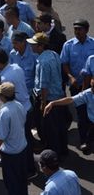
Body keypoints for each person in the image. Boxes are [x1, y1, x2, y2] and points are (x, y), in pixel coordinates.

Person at [0, 49, 35, 178]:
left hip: (19, 110)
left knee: (21, 141)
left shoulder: (5, 77)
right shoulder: (16, 67)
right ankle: (29, 167)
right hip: (26, 106)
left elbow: (7, 93)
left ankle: (29, 169)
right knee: (27, 140)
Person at [29, 33, 68, 155]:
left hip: (49, 99)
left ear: (41, 46)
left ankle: (55, 153)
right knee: (60, 127)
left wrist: (43, 103)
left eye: (34, 44)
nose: (31, 46)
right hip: (59, 95)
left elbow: (44, 85)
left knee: (50, 130)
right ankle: (63, 150)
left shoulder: (43, 62)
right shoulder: (54, 54)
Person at [60, 19, 94, 152]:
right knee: (81, 113)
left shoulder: (93, 44)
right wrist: (70, 77)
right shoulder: (68, 45)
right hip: (76, 85)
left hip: (91, 87)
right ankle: (84, 140)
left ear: (86, 30)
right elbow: (65, 63)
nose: (77, 32)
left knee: (91, 112)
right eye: (75, 29)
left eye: (80, 29)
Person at [0, 82, 28, 195]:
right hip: (22, 146)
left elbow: (1, 135)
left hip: (10, 151)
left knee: (10, 178)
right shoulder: (19, 105)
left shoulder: (5, 112)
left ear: (2, 96)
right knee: (22, 174)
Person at [44, 79, 94, 152]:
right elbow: (70, 100)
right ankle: (88, 143)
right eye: (92, 87)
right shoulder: (88, 93)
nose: (92, 90)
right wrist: (53, 103)